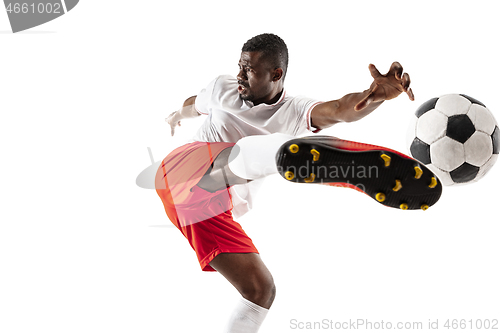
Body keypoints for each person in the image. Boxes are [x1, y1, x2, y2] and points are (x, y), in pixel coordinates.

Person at [155, 33, 441, 333]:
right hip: (182, 170)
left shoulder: (293, 110)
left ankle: (296, 155)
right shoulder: (223, 87)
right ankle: (284, 154)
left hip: (205, 207)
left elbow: (340, 109)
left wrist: (373, 96)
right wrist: (176, 116)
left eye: (249, 70)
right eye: (239, 66)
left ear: (276, 74)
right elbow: (194, 104)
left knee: (260, 291)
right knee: (251, 151)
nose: (240, 75)